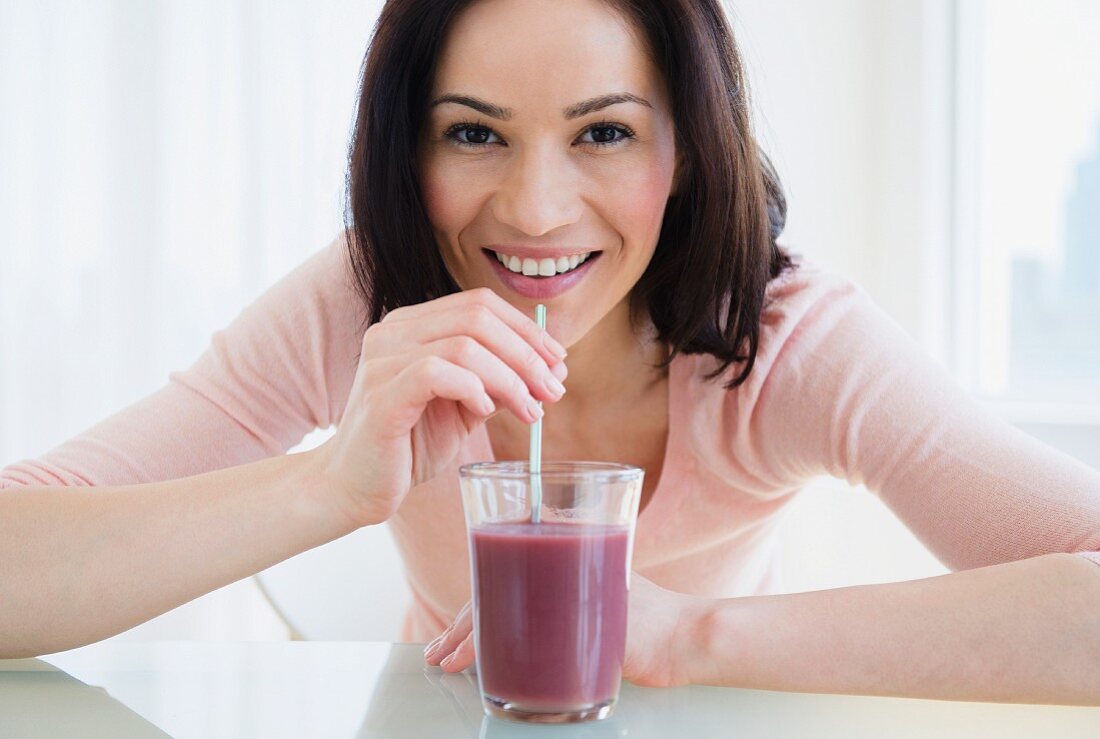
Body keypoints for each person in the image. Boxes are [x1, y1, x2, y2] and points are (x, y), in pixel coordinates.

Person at [2, 0, 1099, 704]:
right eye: (472, 133)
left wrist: (688, 632)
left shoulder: (778, 337)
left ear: (687, 151)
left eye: (603, 133)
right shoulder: (367, 300)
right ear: (406, 147)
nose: (532, 210)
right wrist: (325, 485)